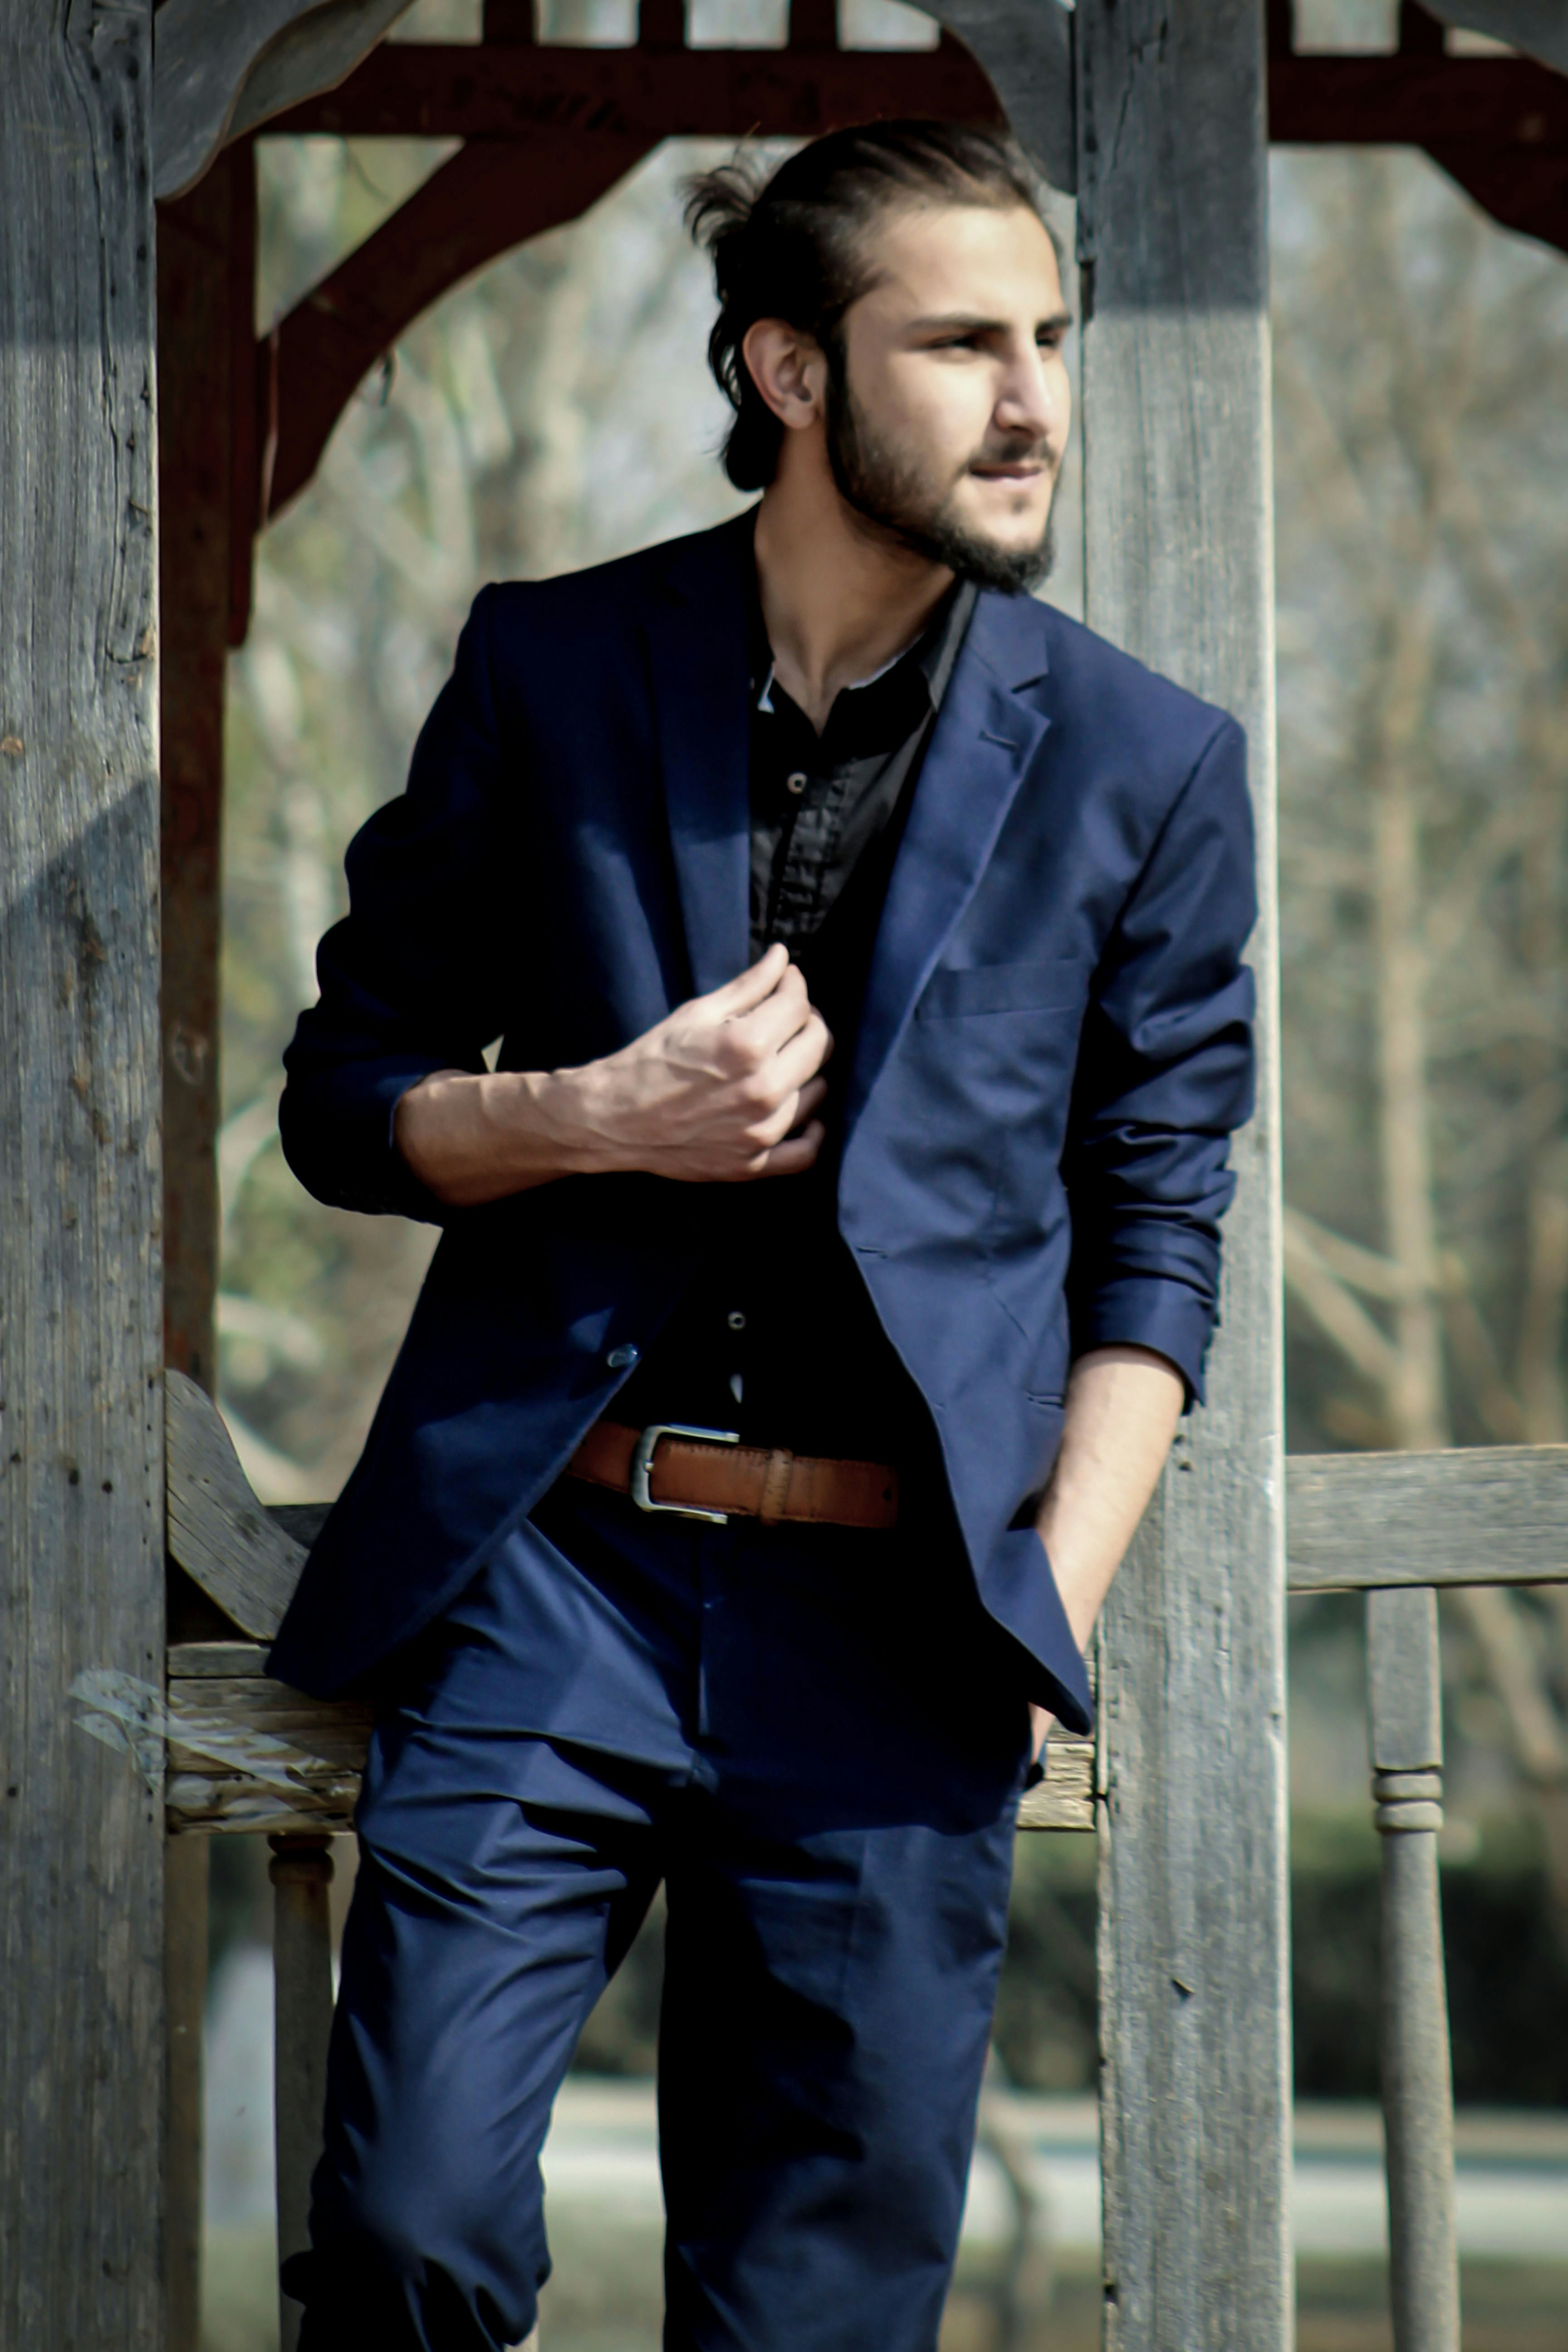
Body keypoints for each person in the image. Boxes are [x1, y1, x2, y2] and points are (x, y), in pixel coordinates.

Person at [271, 119, 1256, 2352]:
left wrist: (1048, 1607)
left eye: (1049, 342)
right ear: (790, 372)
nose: (1034, 403)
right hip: (559, 1580)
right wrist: (593, 1112)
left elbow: (1158, 1242)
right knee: (411, 2229)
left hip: (909, 1628)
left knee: (813, 2319)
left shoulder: (1148, 762)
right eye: (963, 346)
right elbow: (345, 1103)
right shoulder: (546, 669)